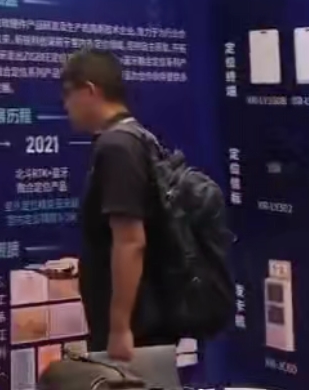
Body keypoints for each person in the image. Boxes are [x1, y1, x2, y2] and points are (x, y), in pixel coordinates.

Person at [61, 49, 182, 390]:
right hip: (148, 311)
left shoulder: (116, 147)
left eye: (68, 95)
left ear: (89, 90)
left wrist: (119, 326)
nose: (65, 106)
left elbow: (130, 240)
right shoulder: (138, 138)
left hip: (137, 321)